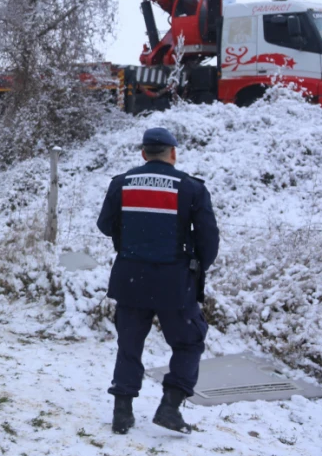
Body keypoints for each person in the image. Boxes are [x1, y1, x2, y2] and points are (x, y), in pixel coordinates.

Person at [97, 127, 219, 435]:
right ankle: (170, 407)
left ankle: (122, 412)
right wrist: (196, 266)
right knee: (189, 341)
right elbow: (208, 240)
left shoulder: (121, 184)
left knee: (129, 345)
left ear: (143, 153)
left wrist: (132, 243)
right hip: (175, 283)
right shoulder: (191, 188)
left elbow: (104, 225)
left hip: (130, 279)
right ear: (173, 154)